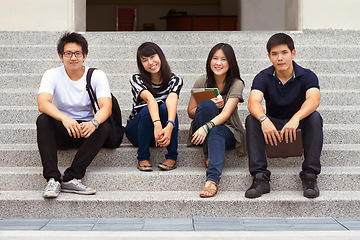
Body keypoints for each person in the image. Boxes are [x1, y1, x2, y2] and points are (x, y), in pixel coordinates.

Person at [245, 33, 323, 199]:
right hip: (274, 123)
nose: (280, 58)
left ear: (293, 53)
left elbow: (313, 100)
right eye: (274, 54)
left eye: (284, 53)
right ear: (269, 57)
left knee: (315, 117)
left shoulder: (308, 75)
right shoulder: (263, 77)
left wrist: (296, 118)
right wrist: (264, 119)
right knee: (252, 119)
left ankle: (309, 176)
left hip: (298, 123)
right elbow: (253, 102)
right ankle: (260, 178)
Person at [37, 32, 112, 198]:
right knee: (43, 120)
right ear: (60, 56)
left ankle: (72, 177)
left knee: (104, 125)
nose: (73, 58)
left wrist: (93, 123)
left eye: (78, 53)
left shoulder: (97, 75)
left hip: (86, 130)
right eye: (68, 53)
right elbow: (43, 103)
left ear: (85, 55)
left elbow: (106, 107)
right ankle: (52, 179)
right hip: (63, 128)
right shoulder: (52, 74)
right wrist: (65, 118)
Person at [187, 43, 246, 198]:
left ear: (230, 62)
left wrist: (207, 127)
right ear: (209, 60)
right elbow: (191, 112)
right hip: (201, 129)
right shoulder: (202, 82)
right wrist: (207, 105)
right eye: (215, 58)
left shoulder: (236, 83)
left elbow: (226, 113)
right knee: (207, 105)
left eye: (223, 59)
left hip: (228, 131)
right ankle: (208, 154)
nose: (218, 63)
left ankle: (212, 180)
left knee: (215, 131)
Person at [125, 42, 183, 172]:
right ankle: (143, 156)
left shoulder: (175, 80)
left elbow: (172, 99)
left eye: (152, 57)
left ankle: (172, 156)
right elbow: (150, 99)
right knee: (150, 107)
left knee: (165, 107)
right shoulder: (136, 78)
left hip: (162, 133)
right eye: (145, 60)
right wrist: (157, 124)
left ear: (160, 56)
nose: (150, 62)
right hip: (137, 131)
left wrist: (169, 126)